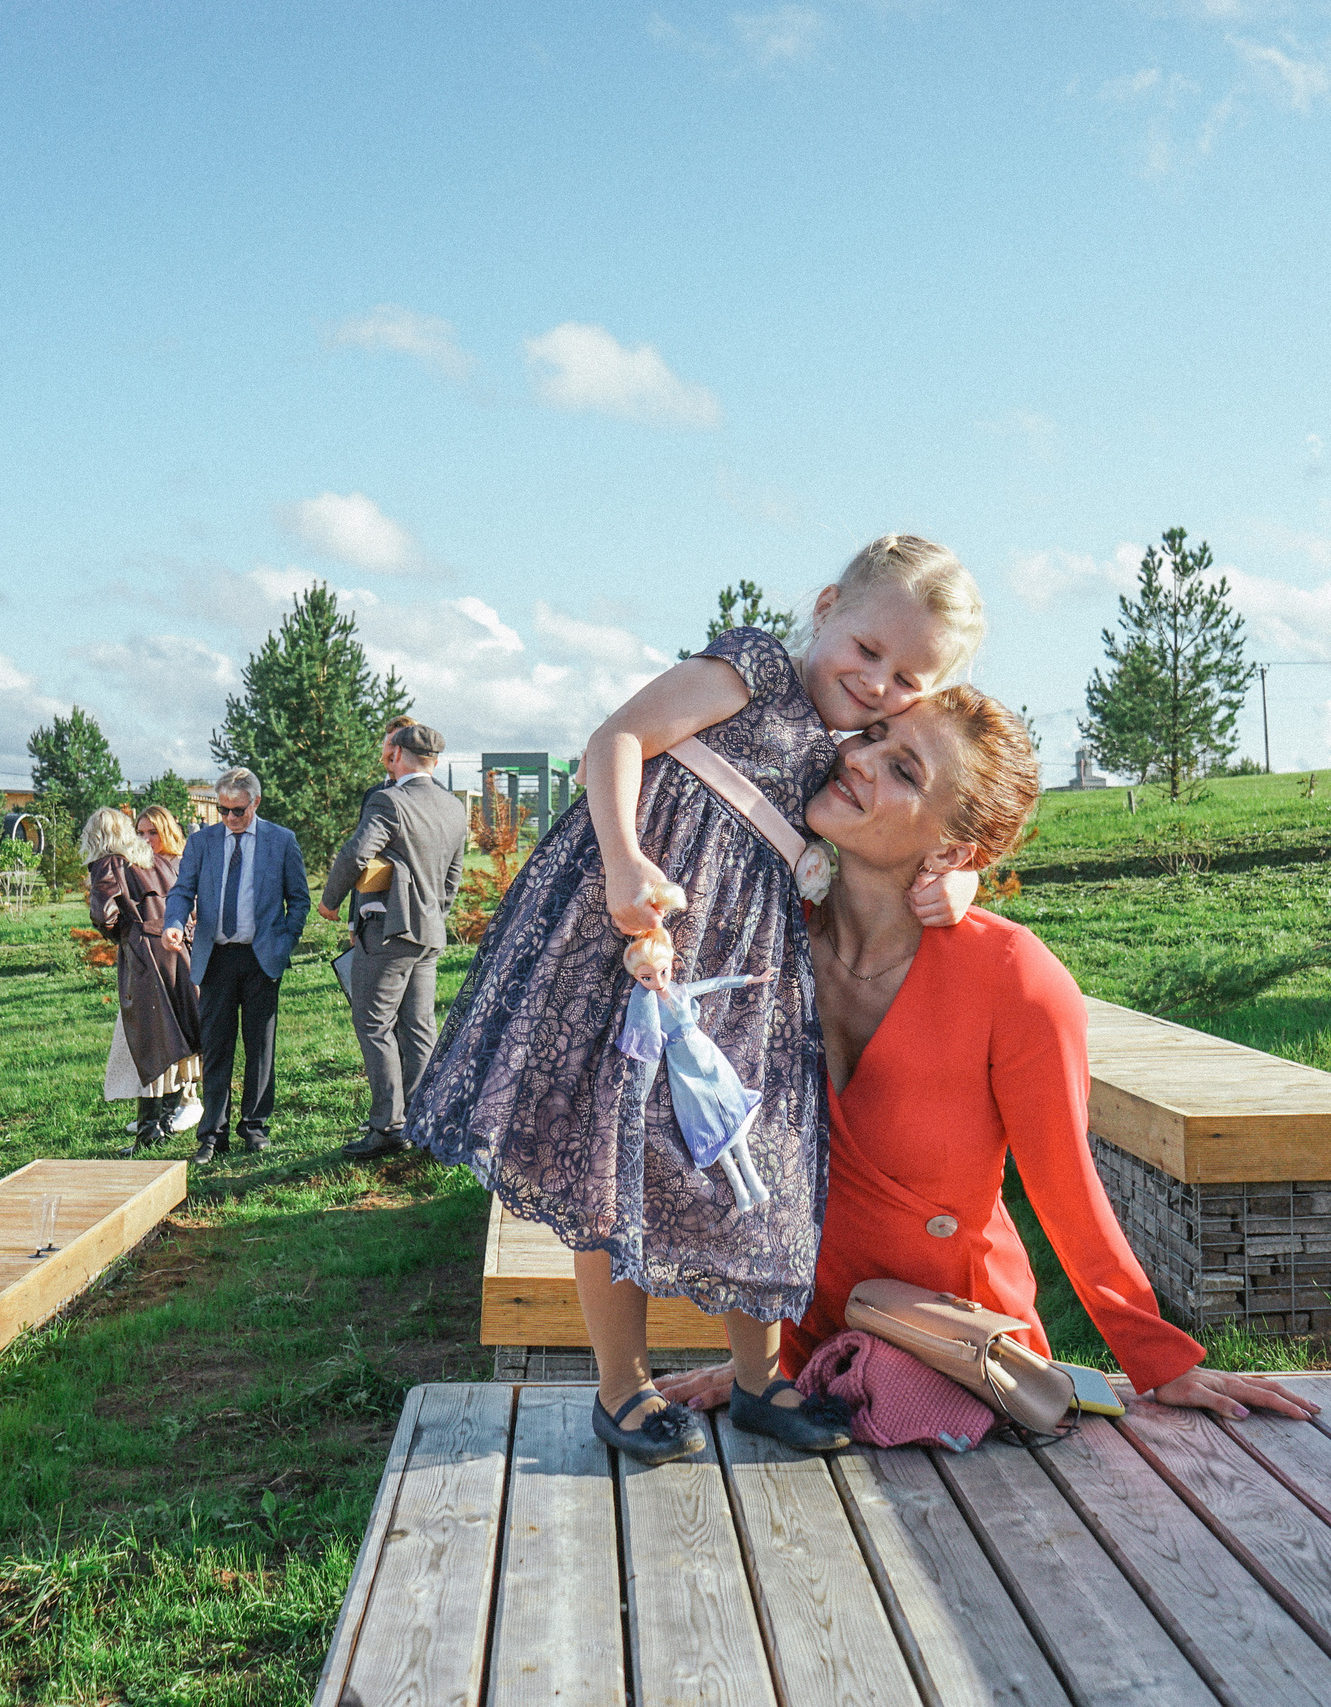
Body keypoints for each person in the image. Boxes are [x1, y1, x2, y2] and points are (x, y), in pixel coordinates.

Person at [409, 535, 986, 1465]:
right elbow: (617, 741)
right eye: (868, 649)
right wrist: (625, 861)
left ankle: (761, 1380)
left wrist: (961, 883)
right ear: (828, 606)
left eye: (908, 674)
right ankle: (621, 1387)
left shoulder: (849, 752)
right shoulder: (750, 670)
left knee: (761, 1161)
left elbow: (962, 798)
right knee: (612, 1153)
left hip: (743, 979)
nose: (879, 683)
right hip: (634, 940)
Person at [661, 695, 1318, 1426]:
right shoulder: (770, 939)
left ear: (951, 853)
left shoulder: (1015, 979)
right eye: (873, 735)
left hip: (962, 1359)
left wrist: (1160, 1359)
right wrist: (761, 1365)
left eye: (903, 768)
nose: (858, 758)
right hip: (814, 1360)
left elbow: (1069, 1190)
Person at [320, 721, 469, 1159]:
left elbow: (355, 853)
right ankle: (420, 1123)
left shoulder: (390, 800)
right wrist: (433, 916)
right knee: (419, 1029)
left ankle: (387, 1126)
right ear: (435, 761)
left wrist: (330, 901)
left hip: (387, 934)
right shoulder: (453, 806)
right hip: (428, 934)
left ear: (398, 755)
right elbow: (453, 877)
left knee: (373, 1024)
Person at [162, 767, 309, 1162]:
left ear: (255, 803)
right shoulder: (201, 842)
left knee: (260, 1045)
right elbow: (181, 892)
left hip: (262, 958)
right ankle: (212, 1134)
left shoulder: (281, 841)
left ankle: (255, 1127)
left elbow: (299, 899)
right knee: (216, 1046)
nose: (230, 819)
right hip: (216, 958)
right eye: (223, 811)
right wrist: (174, 923)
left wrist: (284, 941)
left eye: (237, 811)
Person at [86, 808, 203, 1154]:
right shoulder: (163, 862)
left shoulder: (110, 863)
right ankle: (165, 1119)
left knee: (149, 1040)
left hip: (144, 956)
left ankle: (150, 1131)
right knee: (177, 1036)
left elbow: (103, 914)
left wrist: (121, 934)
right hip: (177, 948)